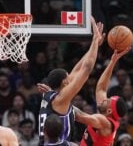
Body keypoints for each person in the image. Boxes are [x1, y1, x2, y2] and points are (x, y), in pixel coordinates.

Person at [37, 16, 105, 145]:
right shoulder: (60, 100)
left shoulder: (52, 97)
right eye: (68, 77)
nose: (71, 76)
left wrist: (93, 46)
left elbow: (78, 68)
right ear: (64, 82)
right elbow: (86, 69)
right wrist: (95, 40)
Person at [74, 48, 130, 146]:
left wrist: (58, 97)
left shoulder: (104, 122)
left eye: (107, 101)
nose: (104, 99)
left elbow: (79, 116)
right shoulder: (107, 113)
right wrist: (113, 62)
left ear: (109, 111)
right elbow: (101, 88)